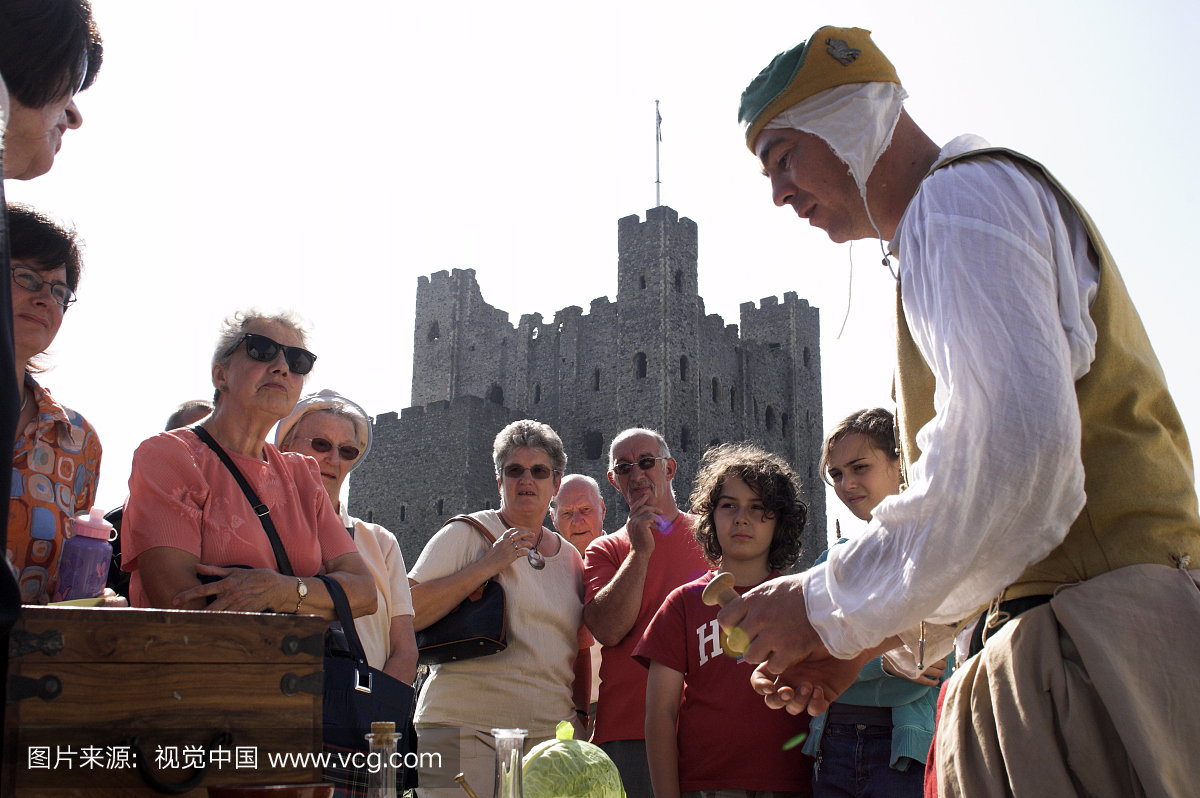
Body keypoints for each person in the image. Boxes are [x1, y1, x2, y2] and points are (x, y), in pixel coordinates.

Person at [720, 25, 1200, 797]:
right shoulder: (944, 221)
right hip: (1065, 645)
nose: (778, 193)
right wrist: (860, 643)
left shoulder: (957, 200)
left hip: (1095, 650)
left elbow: (1014, 458)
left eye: (784, 158)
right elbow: (999, 526)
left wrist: (821, 600)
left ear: (846, 119)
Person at [121, 309, 375, 619]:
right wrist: (313, 596)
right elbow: (181, 601)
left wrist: (282, 590)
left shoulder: (303, 476)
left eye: (298, 362)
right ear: (221, 375)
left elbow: (364, 593)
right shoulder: (170, 456)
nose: (282, 367)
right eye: (262, 350)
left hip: (295, 666)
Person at [407, 419, 591, 798]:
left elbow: (578, 649)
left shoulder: (571, 559)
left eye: (539, 471)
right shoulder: (467, 533)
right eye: (514, 470)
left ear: (556, 483)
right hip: (460, 727)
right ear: (499, 481)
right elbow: (406, 612)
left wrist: (581, 718)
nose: (527, 480)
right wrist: (488, 565)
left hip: (545, 739)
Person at [635, 443, 813, 798]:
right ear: (710, 515)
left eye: (758, 507)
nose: (741, 518)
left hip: (793, 785)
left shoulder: (802, 601)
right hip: (705, 786)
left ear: (781, 520)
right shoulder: (682, 604)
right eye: (728, 505)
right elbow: (660, 715)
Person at [802, 409, 945, 797]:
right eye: (835, 474)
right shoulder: (830, 563)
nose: (846, 483)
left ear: (900, 463)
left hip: (909, 750)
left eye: (859, 467)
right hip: (831, 747)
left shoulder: (938, 550)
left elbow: (940, 664)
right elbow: (809, 659)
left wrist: (846, 661)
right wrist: (883, 661)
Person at [583, 428, 709, 798]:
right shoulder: (603, 550)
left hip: (704, 727)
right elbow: (608, 629)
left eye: (646, 463)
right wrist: (640, 552)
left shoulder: (710, 537)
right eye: (624, 467)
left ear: (669, 468)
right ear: (613, 480)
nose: (636, 474)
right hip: (627, 731)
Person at [276, 389, 417, 685]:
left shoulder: (380, 543)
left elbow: (404, 651)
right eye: (321, 444)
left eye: (347, 451)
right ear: (285, 446)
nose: (333, 458)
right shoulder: (255, 528)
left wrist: (377, 713)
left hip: (359, 716)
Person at [6, 204, 100, 604]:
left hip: (27, 660)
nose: (46, 298)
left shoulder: (78, 440)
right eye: (28, 277)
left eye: (59, 290)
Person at [552, 473, 607, 731]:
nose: (577, 520)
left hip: (612, 708)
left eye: (585, 509)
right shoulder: (540, 569)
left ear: (602, 508)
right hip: (556, 710)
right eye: (566, 513)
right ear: (553, 519)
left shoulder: (629, 559)